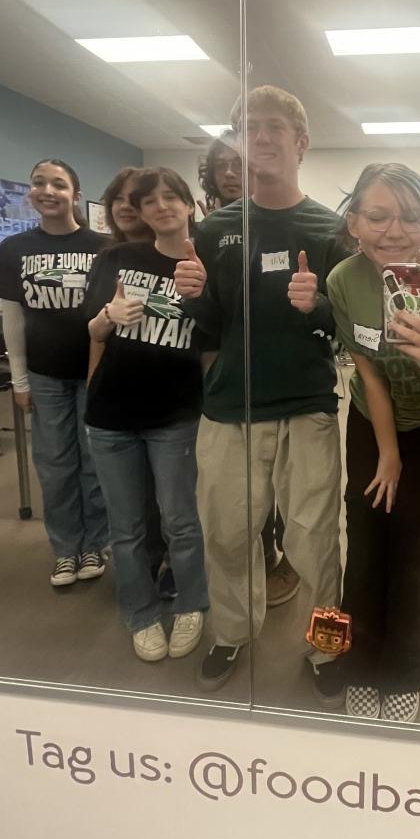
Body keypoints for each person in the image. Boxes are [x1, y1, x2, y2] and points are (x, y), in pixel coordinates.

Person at [175, 85, 345, 700]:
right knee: (226, 535)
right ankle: (231, 631)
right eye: (249, 128)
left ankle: (327, 645)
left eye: (275, 126)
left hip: (306, 407)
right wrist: (193, 296)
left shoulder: (331, 229)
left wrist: (317, 306)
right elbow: (209, 327)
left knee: (315, 542)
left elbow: (349, 329)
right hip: (230, 410)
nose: (262, 137)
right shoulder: (217, 228)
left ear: (301, 143)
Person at [327, 164, 420, 722]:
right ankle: (360, 666)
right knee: (365, 547)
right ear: (354, 223)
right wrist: (387, 454)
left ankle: (403, 674)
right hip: (374, 422)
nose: (395, 230)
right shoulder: (343, 281)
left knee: (416, 557)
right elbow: (368, 375)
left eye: (411, 217)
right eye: (378, 216)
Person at [85, 168, 210, 662]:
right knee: (127, 527)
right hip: (111, 414)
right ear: (139, 211)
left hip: (175, 415)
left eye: (171, 196)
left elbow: (214, 342)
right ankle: (140, 614)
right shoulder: (115, 259)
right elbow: (92, 330)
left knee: (181, 521)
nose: (162, 206)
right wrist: (107, 317)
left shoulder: (206, 266)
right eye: (150, 200)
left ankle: (191, 603)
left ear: (188, 205)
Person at [0, 159, 109, 587]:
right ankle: (65, 549)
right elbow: (12, 320)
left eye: (59, 184)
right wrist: (19, 380)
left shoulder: (104, 246)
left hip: (96, 373)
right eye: (39, 183)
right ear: (30, 193)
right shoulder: (15, 249)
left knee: (94, 462)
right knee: (55, 465)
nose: (48, 191)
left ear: (76, 195)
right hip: (45, 374)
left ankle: (95, 543)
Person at [197, 134, 299, 605]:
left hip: (280, 379)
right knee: (230, 494)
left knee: (277, 487)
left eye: (239, 164)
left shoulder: (286, 222)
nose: (231, 173)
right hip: (223, 377)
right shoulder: (209, 230)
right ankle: (242, 581)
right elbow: (207, 313)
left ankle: (276, 556)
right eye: (222, 166)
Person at [100, 166, 174, 598]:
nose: (128, 207)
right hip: (118, 400)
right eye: (125, 199)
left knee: (175, 503)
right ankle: (143, 569)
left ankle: (173, 564)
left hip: (175, 404)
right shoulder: (112, 259)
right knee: (134, 500)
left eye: (138, 199)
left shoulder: (189, 258)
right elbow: (95, 333)